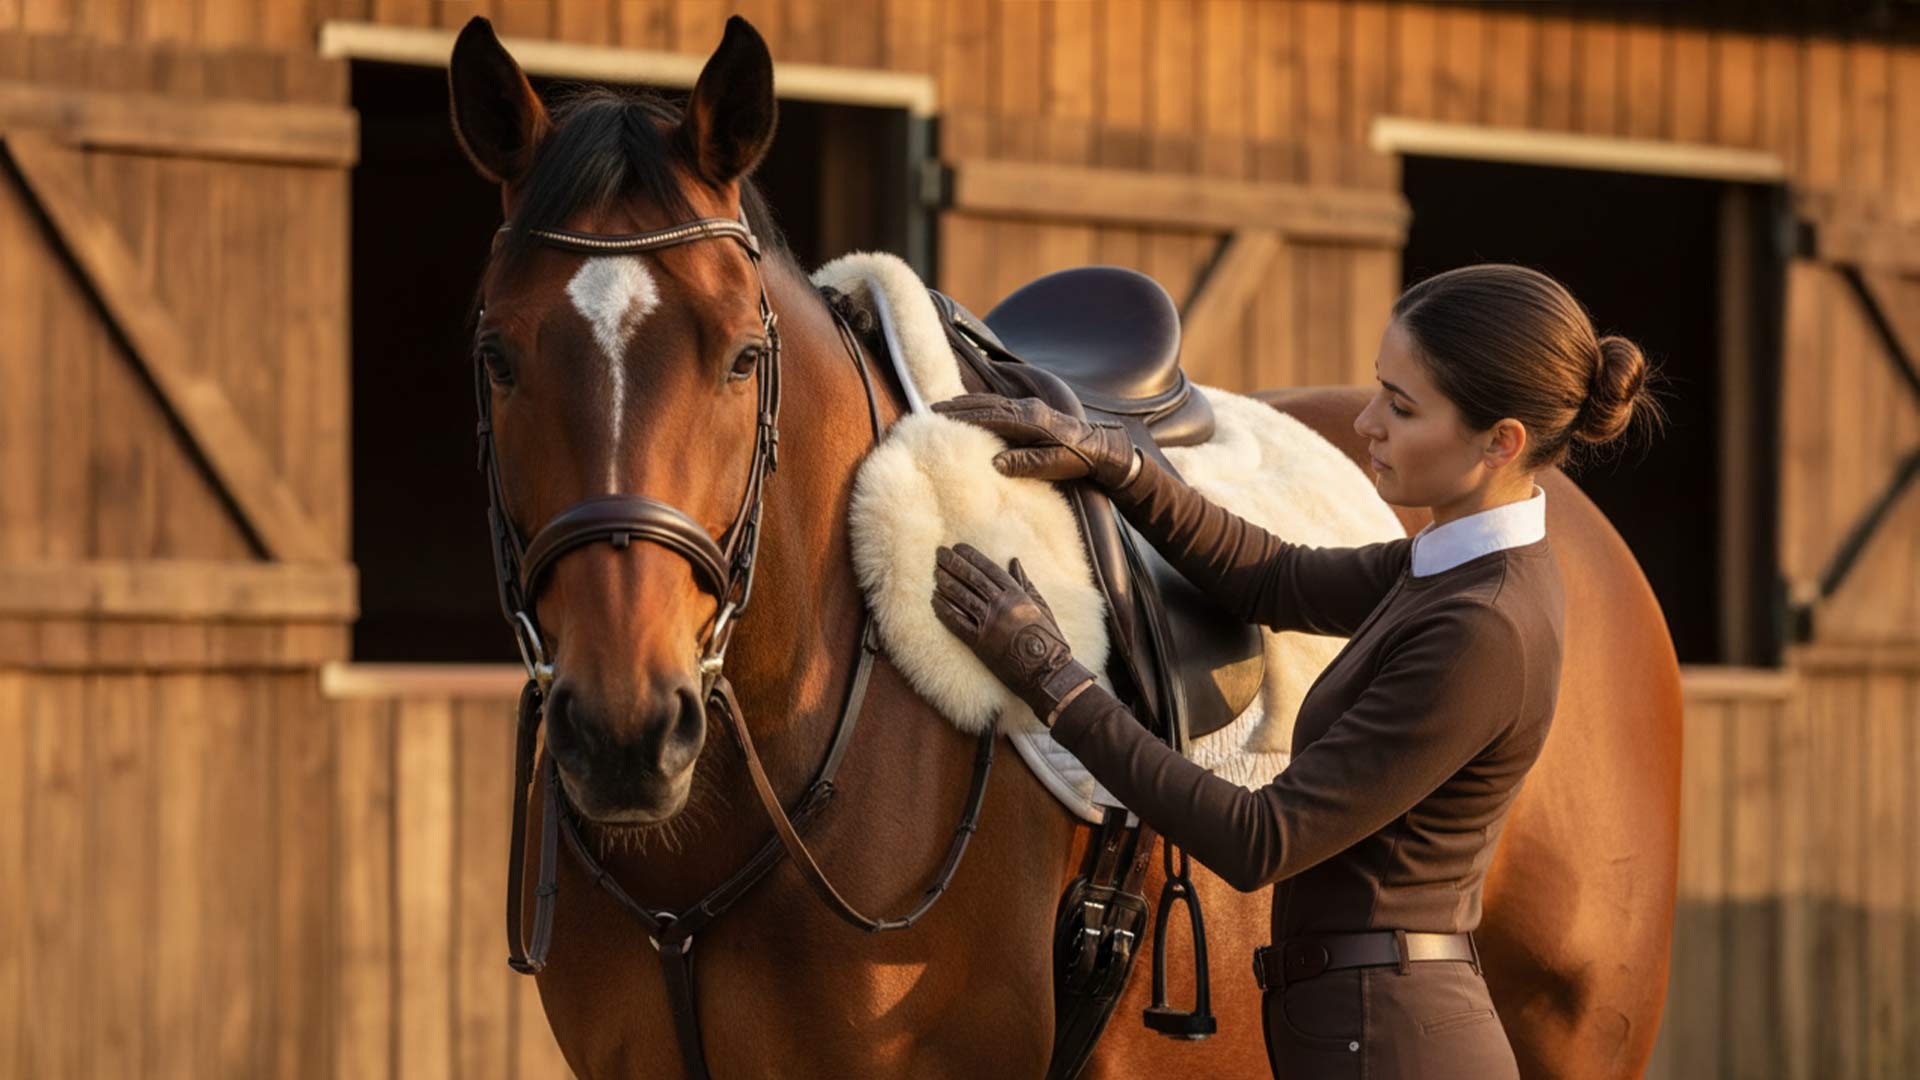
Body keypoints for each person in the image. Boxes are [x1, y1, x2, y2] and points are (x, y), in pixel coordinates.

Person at [927, 264, 1661, 1079]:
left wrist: (1053, 681)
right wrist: (1122, 464)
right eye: (1381, 388)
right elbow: (1273, 578)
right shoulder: (1458, 565)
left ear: (1502, 442)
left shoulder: (1483, 627)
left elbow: (1260, 839)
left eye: (1403, 407)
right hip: (1360, 1033)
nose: (1367, 421)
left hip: (1389, 1048)